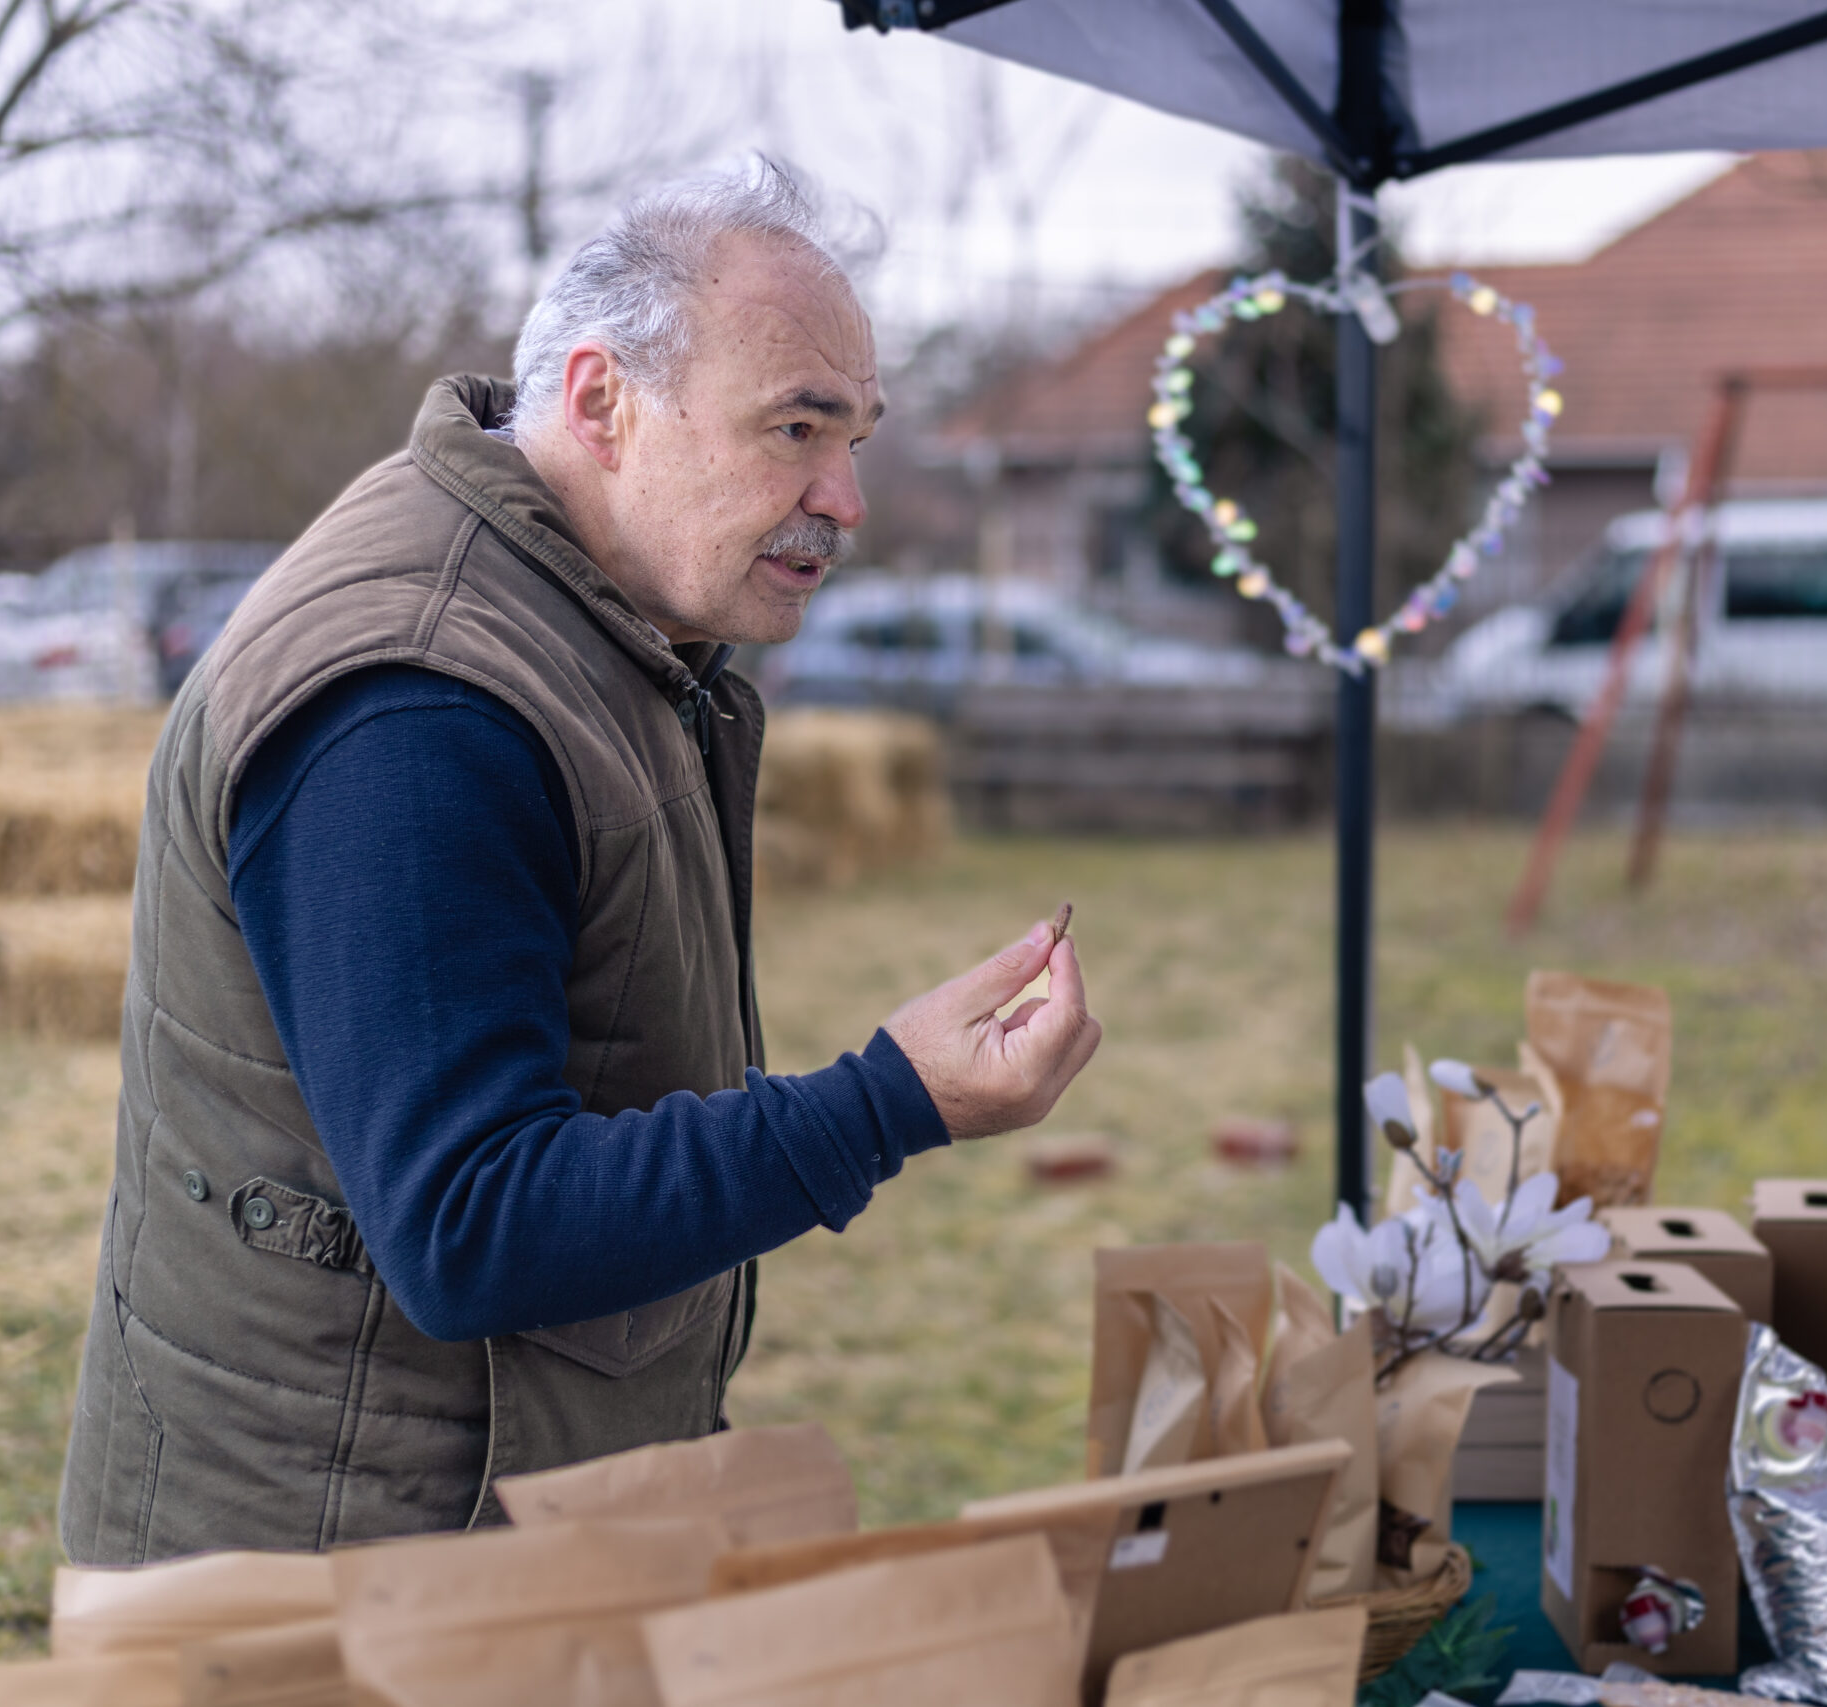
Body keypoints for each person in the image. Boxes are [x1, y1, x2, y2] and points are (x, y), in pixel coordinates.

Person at [57, 159, 1103, 1561]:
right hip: (336, 1582)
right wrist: (886, 1103)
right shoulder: (419, 702)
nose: (845, 498)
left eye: (854, 436)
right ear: (604, 403)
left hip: (479, 1536)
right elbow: (470, 1224)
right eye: (796, 428)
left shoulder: (596, 620)